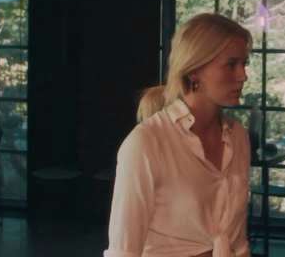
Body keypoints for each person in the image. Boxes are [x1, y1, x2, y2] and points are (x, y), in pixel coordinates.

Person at [104, 13, 252, 257]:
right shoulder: (146, 143)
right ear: (194, 71)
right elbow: (123, 252)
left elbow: (238, 240)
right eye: (231, 64)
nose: (243, 75)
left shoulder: (238, 137)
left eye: (244, 64)